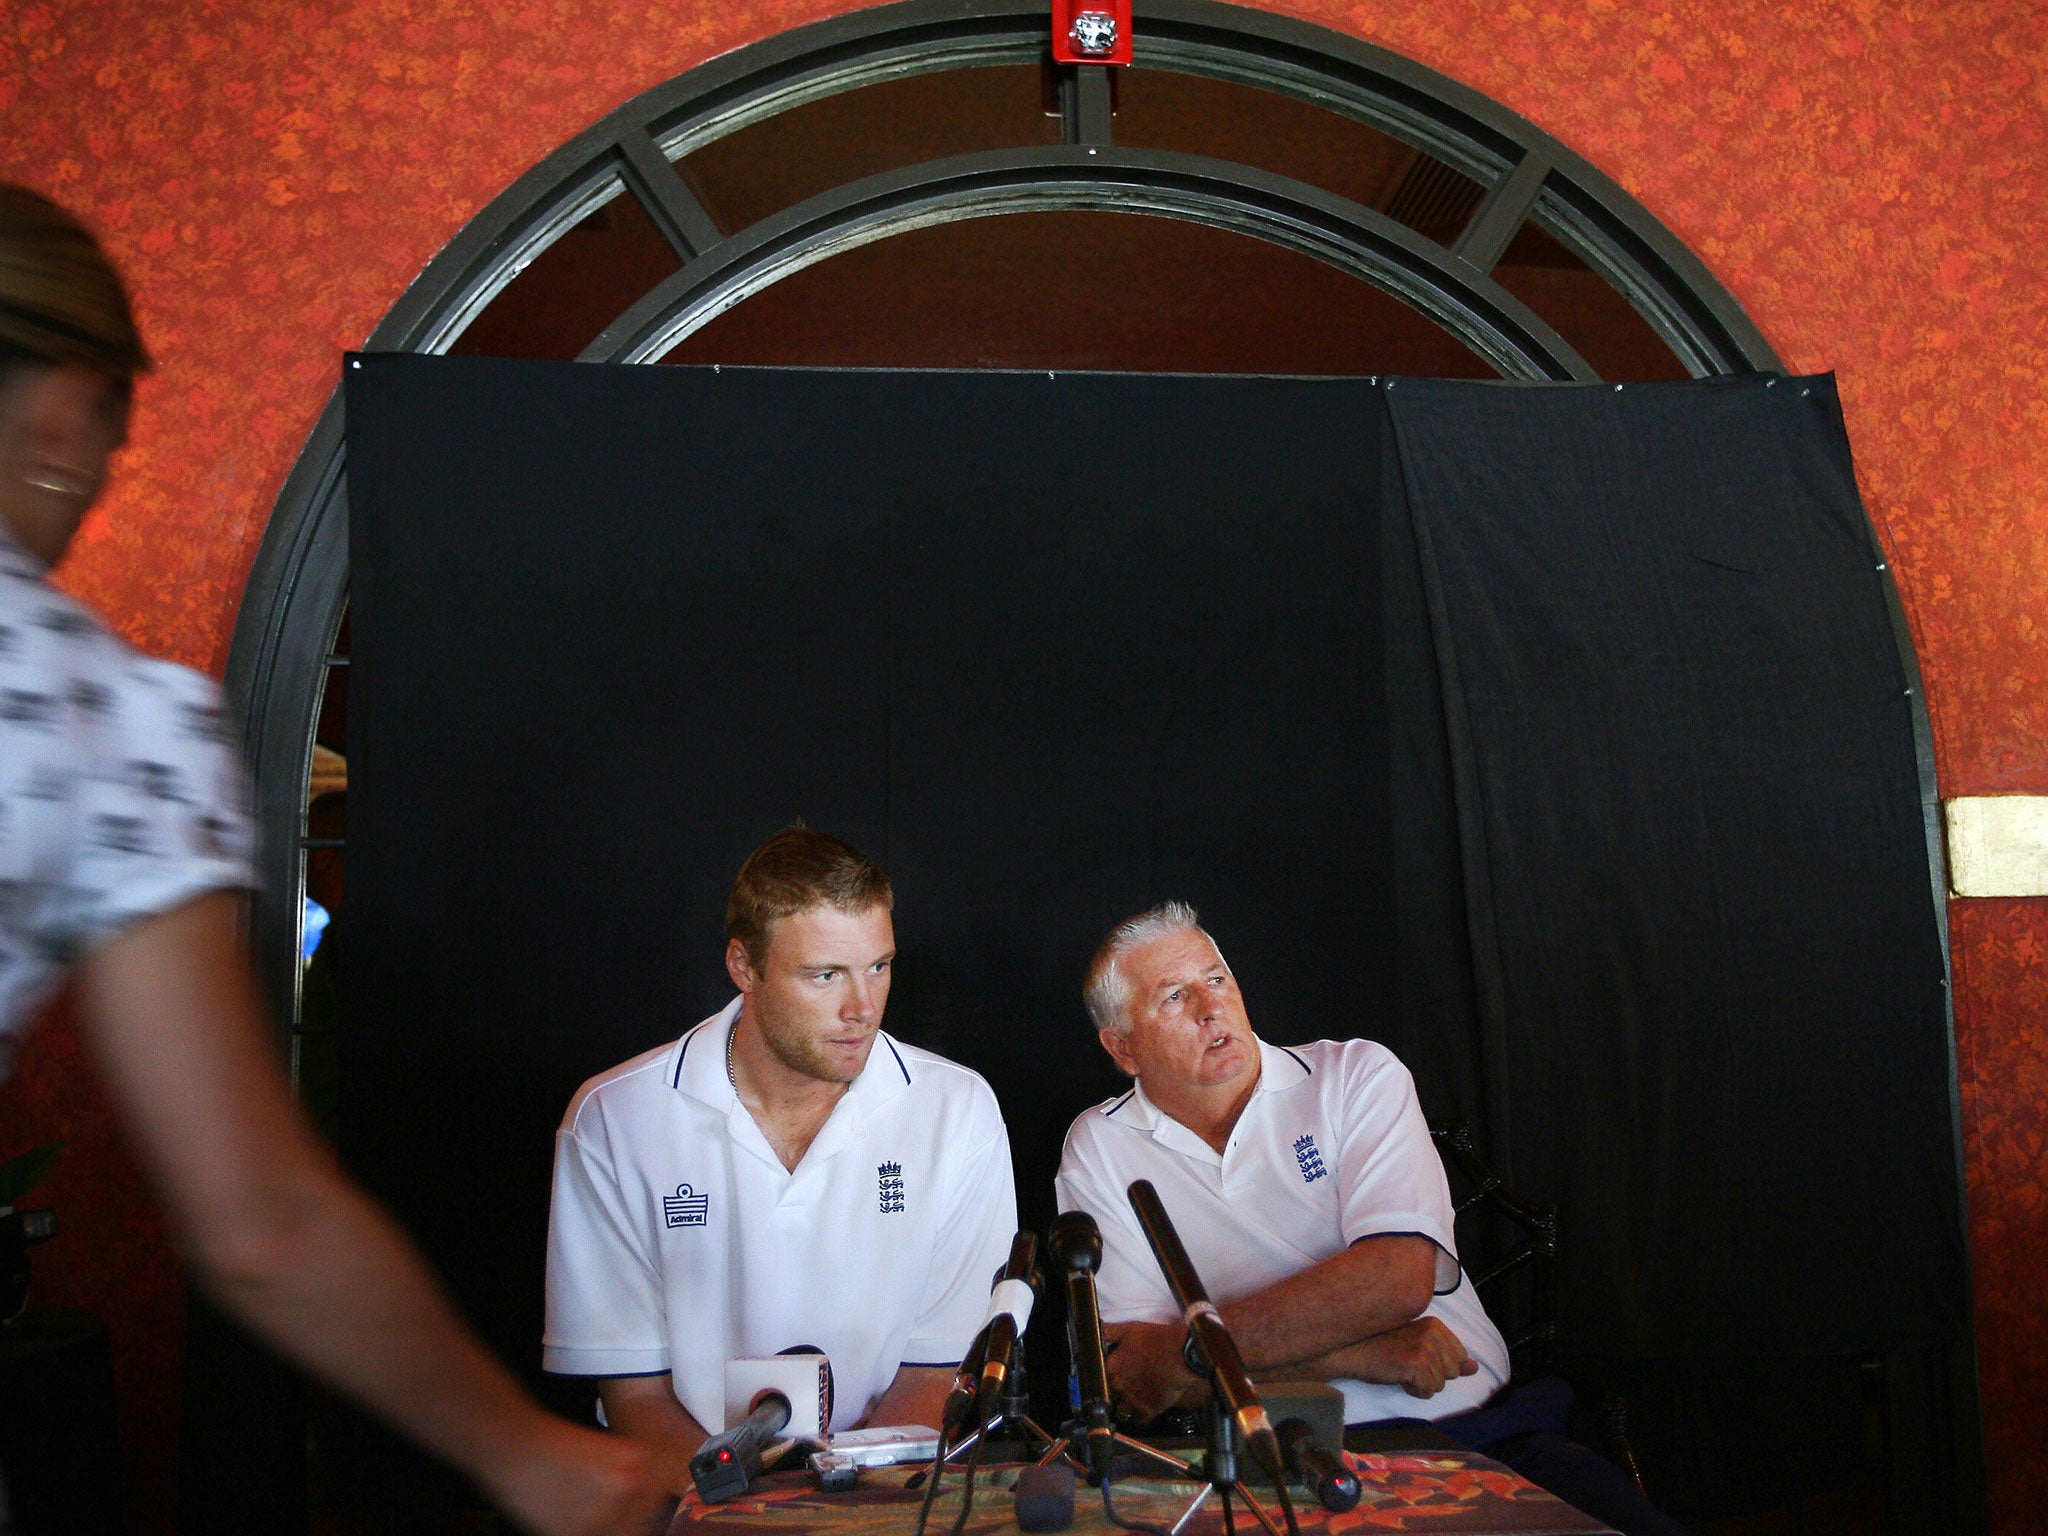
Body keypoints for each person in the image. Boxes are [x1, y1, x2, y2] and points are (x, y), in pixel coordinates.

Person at [0, 183, 659, 1533]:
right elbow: (261, 1224)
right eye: (111, 449)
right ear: (66, 414)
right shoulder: (88, 716)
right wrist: (533, 1458)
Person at [1055, 901, 1682, 1536]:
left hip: (1456, 1429)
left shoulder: (1353, 1076)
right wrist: (1361, 1351)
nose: (1210, 1007)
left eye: (1218, 979)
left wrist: (1186, 1357)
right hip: (1257, 1458)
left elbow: (1396, 1280)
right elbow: (1132, 1377)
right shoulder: (1100, 1146)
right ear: (1123, 1047)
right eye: (1173, 997)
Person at [544, 827, 1017, 1489]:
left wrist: (833, 1515)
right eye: (824, 975)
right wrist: (745, 1516)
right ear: (744, 967)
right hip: (692, 1511)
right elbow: (635, 1396)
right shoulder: (613, 1118)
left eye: (878, 966)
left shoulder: (958, 1109)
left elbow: (938, 1374)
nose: (861, 1008)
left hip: (881, 1511)